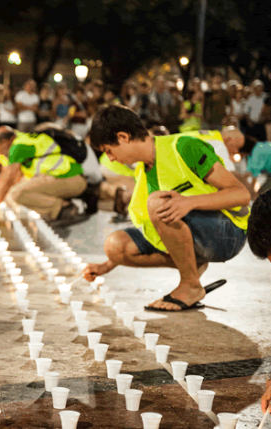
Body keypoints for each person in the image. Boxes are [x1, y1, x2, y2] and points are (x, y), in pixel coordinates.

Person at [83, 105, 250, 311]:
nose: (110, 158)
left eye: (109, 150)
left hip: (227, 234)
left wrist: (189, 202)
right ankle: (193, 266)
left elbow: (241, 194)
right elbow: (153, 228)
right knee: (115, 246)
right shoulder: (142, 173)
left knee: (158, 203)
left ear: (123, 137)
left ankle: (190, 285)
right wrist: (107, 265)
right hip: (197, 238)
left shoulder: (183, 146)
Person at [0, 128, 87, 223]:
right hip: (68, 178)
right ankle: (61, 208)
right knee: (17, 188)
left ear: (5, 142)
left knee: (17, 193)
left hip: (70, 179)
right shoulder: (25, 139)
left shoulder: (18, 146)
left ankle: (65, 209)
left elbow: (8, 179)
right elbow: (14, 179)